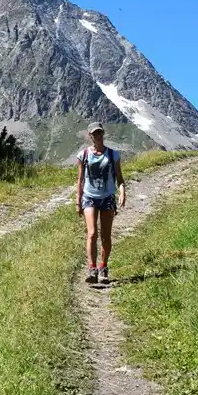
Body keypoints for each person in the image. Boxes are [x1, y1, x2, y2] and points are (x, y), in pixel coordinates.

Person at [76, 122, 126, 284]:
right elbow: (80, 180)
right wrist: (78, 201)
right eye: (94, 134)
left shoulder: (113, 155)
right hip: (89, 197)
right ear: (90, 136)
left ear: (103, 134)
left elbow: (119, 178)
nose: (97, 136)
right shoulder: (83, 155)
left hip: (107, 197)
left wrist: (123, 192)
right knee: (92, 233)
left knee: (105, 235)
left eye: (99, 133)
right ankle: (92, 269)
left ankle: (103, 268)